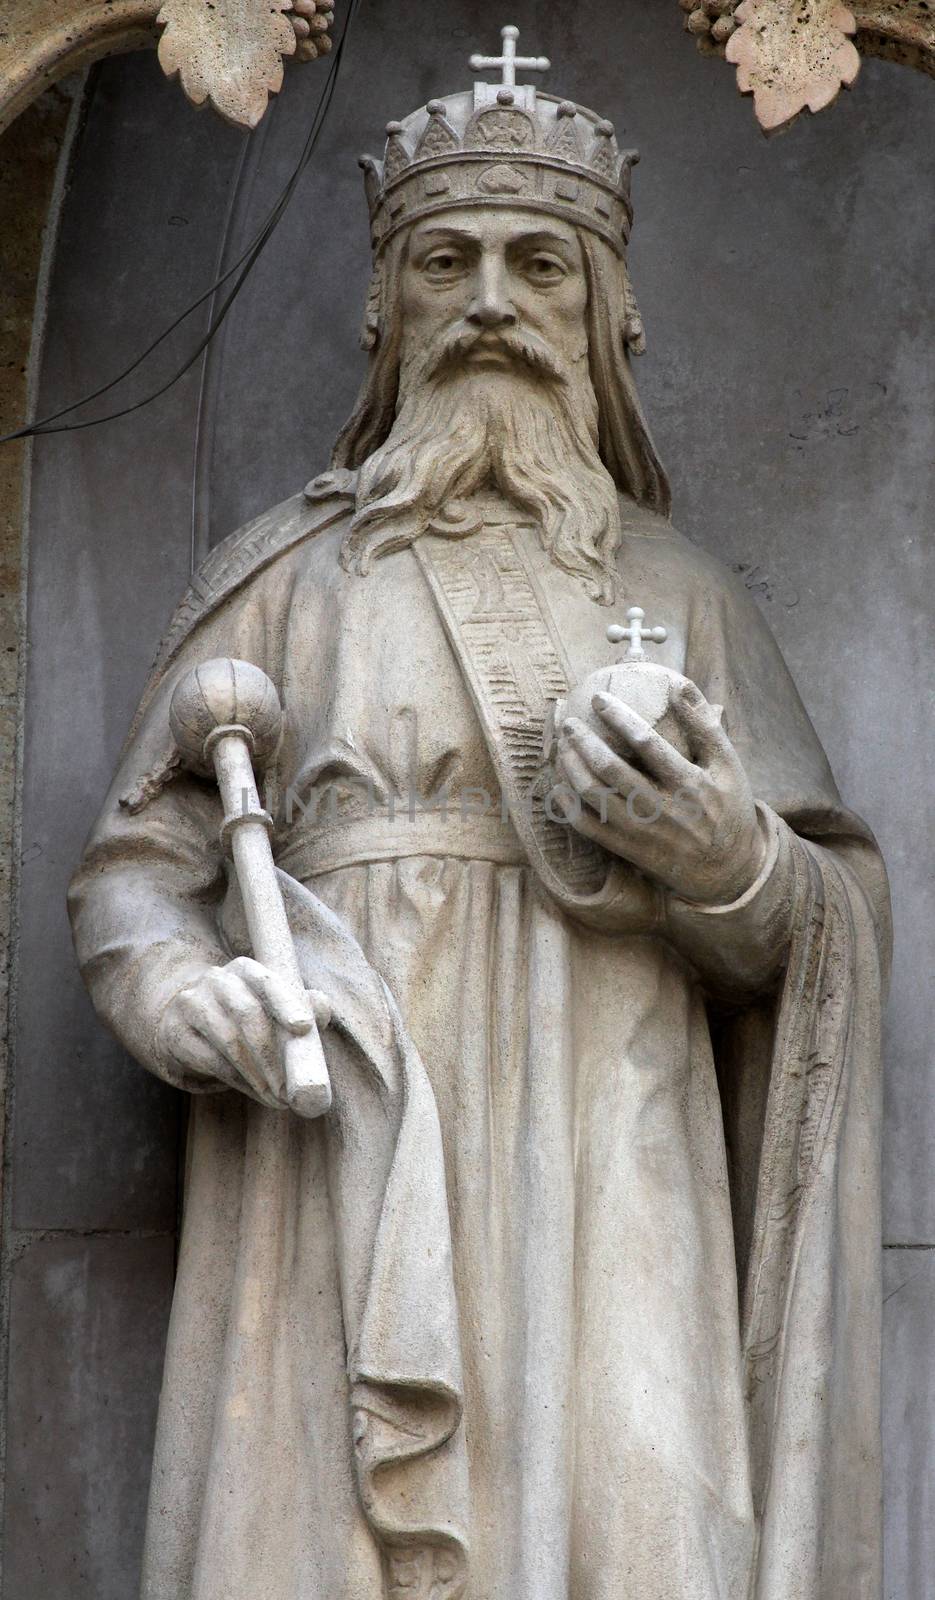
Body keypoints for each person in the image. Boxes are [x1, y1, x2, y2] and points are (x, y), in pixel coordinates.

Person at [69, 34, 890, 1600]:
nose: (496, 304)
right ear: (388, 308)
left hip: (614, 1150)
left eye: (542, 266)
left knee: (641, 1529)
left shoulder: (683, 598)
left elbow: (820, 924)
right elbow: (132, 880)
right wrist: (193, 993)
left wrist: (732, 869)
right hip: (334, 1148)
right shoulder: (280, 578)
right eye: (449, 262)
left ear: (607, 313)